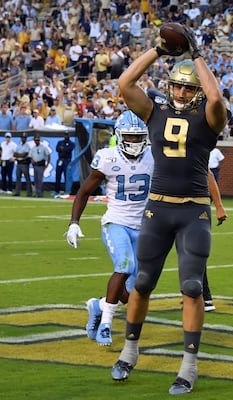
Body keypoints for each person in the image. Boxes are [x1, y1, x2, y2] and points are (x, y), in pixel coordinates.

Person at [110, 25, 227, 395]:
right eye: (177, 86)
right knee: (141, 282)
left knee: (192, 287)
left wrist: (195, 55)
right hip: (158, 209)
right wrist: (157, 51)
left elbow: (217, 98)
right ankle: (129, 351)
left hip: (193, 211)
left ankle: (189, 366)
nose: (180, 92)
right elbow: (125, 84)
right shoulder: (154, 114)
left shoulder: (208, 120)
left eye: (187, 88)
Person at [66, 110, 154, 346]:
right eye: (130, 137)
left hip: (143, 228)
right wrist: (74, 223)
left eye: (138, 137)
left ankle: (99, 305)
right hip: (116, 223)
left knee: (135, 295)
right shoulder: (108, 157)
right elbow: (84, 192)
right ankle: (106, 324)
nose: (135, 142)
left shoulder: (153, 157)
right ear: (119, 136)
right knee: (124, 265)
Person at [54, 132, 75, 196]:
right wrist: (63, 149)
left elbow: (69, 150)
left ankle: (67, 190)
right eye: (65, 135)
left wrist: (63, 148)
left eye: (67, 135)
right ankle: (57, 191)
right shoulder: (60, 142)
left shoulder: (71, 143)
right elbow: (57, 149)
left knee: (67, 176)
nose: (66, 136)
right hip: (60, 160)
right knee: (58, 175)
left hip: (67, 160)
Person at [13, 132, 32, 197]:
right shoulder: (19, 145)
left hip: (24, 163)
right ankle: (17, 192)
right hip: (19, 163)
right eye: (22, 137)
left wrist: (19, 155)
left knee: (27, 178)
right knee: (18, 178)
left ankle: (29, 193)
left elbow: (24, 154)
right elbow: (14, 154)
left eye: (25, 138)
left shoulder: (27, 146)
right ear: (21, 138)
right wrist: (19, 155)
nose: (23, 139)